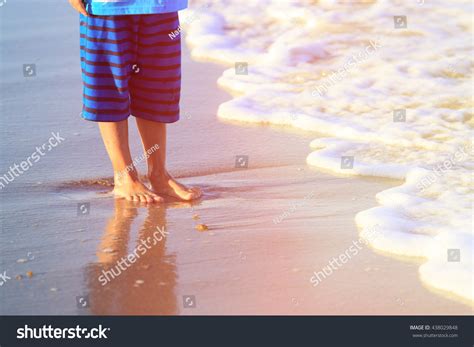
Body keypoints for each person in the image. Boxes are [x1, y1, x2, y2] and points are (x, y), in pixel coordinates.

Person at [69, 0, 201, 203]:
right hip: (106, 6)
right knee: (108, 86)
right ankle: (124, 176)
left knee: (157, 85)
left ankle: (159, 175)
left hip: (161, 6)